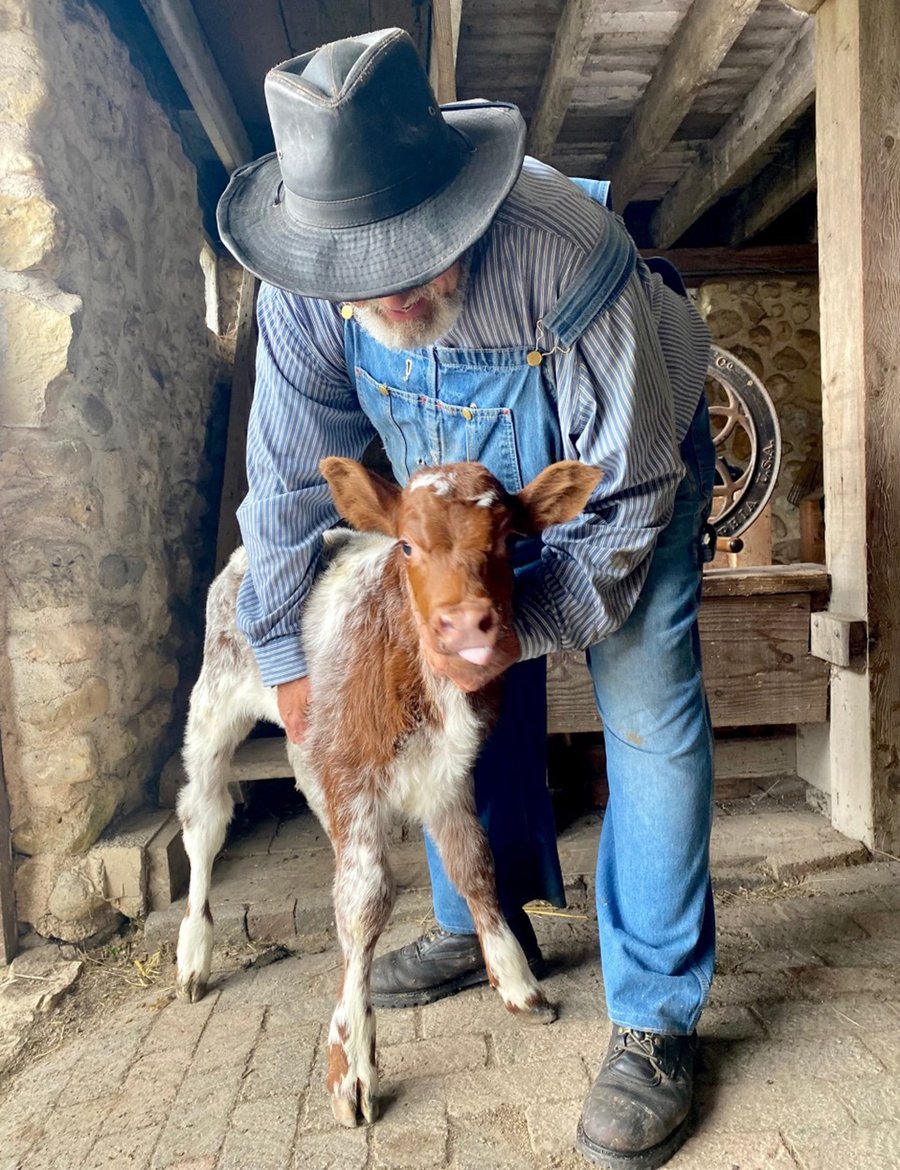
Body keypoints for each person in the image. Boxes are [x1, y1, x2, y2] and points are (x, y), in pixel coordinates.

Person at [216, 27, 717, 1170]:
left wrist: (507, 627)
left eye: (420, 254)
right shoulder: (299, 288)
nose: (389, 292)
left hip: (619, 468)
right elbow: (290, 489)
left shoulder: (570, 258)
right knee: (455, 690)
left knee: (647, 705)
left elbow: (625, 507)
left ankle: (652, 1021)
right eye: (360, 273)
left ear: (465, 202)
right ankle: (479, 923)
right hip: (449, 499)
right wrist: (287, 671)